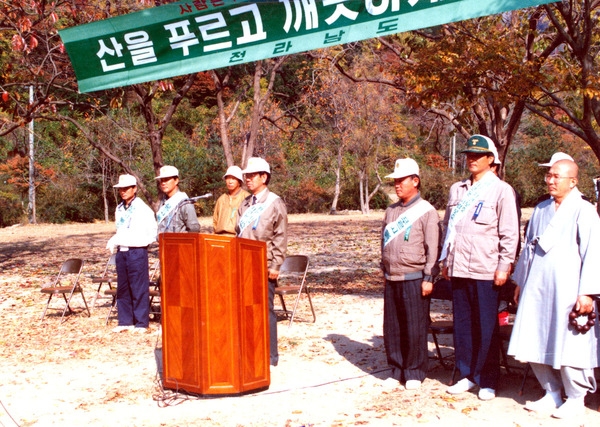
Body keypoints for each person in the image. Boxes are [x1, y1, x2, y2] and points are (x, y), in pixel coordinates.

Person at [508, 159, 600, 419]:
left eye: (557, 176)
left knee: (572, 343)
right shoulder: (540, 209)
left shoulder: (583, 210)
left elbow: (594, 252)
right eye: (549, 176)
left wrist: (588, 292)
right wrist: (520, 281)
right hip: (537, 286)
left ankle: (576, 397)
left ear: (573, 181)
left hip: (570, 289)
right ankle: (551, 392)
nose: (550, 180)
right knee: (535, 336)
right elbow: (528, 248)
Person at [440, 134, 520, 400]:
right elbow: (448, 229)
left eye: (478, 155)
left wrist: (504, 265)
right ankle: (465, 374)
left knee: (486, 326)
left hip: (486, 269)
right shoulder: (457, 189)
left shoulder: (501, 190)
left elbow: (510, 234)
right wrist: (445, 260)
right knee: (463, 325)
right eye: (469, 155)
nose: (472, 159)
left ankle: (488, 379)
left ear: (490, 159)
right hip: (459, 267)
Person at [380, 158, 440, 390]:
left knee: (414, 327)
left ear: (415, 181)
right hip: (392, 276)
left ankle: (414, 371)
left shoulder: (427, 211)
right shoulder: (391, 211)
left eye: (401, 180)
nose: (397, 185)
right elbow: (383, 243)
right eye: (394, 181)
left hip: (415, 277)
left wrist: (428, 277)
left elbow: (432, 247)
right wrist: (383, 269)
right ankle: (396, 369)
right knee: (393, 327)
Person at [236, 157, 288, 367]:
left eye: (251, 175)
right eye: (246, 176)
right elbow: (237, 232)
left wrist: (275, 266)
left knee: (264, 311)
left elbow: (280, 236)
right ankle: (248, 350)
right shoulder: (245, 203)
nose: (247, 179)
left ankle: (269, 357)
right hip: (241, 264)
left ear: (263, 177)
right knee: (243, 309)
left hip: (263, 264)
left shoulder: (275, 202)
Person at [106, 174, 158, 332]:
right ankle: (125, 321)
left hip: (136, 251)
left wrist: (143, 243)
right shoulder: (119, 208)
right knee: (123, 287)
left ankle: (141, 322)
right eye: (121, 189)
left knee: (138, 287)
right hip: (122, 251)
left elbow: (152, 229)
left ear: (134, 189)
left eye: (127, 188)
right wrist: (114, 240)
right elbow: (120, 228)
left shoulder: (142, 208)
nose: (123, 191)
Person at [155, 165, 200, 234]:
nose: (163, 183)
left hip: (180, 243)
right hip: (163, 243)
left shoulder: (185, 203)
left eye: (167, 179)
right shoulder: (162, 202)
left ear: (176, 180)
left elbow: (194, 230)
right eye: (161, 180)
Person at [213, 165, 250, 236]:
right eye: (228, 178)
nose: (230, 181)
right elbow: (215, 221)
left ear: (239, 181)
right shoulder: (221, 199)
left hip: (237, 238)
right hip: (220, 237)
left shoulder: (246, 198)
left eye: (233, 178)